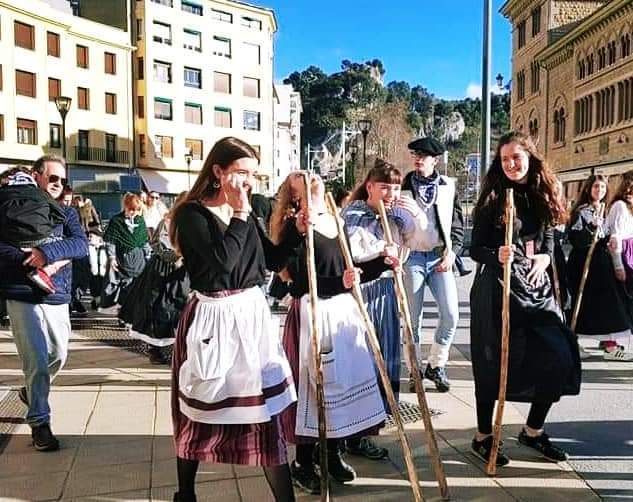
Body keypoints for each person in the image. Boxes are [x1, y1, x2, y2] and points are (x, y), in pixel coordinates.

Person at [169, 137, 303, 502]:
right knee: (201, 408)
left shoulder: (247, 210)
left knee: (264, 414)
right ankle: (185, 494)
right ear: (218, 171)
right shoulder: (192, 214)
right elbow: (222, 264)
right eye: (242, 172)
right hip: (213, 317)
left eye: (253, 175)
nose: (248, 182)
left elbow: (271, 261)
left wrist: (296, 231)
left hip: (250, 318)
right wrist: (240, 215)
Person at [272, 172, 398, 495]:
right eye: (300, 179)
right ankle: (303, 463)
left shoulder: (334, 219)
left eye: (311, 176)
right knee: (313, 389)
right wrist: (337, 281)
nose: (309, 177)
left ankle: (330, 452)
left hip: (342, 311)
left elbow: (351, 270)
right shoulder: (294, 227)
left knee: (341, 384)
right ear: (295, 195)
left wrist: (383, 263)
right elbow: (297, 280)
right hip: (312, 312)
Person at [469, 131, 581, 466]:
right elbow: (475, 248)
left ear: (530, 158)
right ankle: (483, 436)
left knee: (557, 355)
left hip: (535, 288)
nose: (511, 164)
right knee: (493, 364)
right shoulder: (492, 197)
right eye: (505, 159)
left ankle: (533, 430)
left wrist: (545, 257)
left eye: (516, 157)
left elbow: (548, 238)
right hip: (497, 290)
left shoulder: (542, 193)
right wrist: (496, 254)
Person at [0, 154, 88, 451]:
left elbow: (80, 244)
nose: (58, 184)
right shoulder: (8, 206)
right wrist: (29, 260)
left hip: (56, 292)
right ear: (35, 175)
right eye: (52, 178)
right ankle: (40, 423)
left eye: (63, 180)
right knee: (36, 360)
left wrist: (46, 255)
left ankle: (30, 391)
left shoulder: (66, 211)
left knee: (58, 355)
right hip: (21, 293)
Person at [341, 159, 416, 460]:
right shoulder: (354, 214)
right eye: (384, 187)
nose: (390, 194)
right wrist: (381, 252)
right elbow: (354, 252)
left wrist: (405, 219)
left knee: (386, 358)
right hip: (363, 294)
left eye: (395, 188)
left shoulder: (395, 215)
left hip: (386, 293)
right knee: (364, 361)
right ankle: (353, 432)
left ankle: (368, 430)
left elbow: (415, 240)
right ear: (370, 187)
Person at [400, 137, 464, 392]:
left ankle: (436, 365)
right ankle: (414, 370)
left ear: (435, 160)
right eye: (416, 154)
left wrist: (453, 252)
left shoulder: (448, 187)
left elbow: (457, 226)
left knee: (451, 314)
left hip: (439, 257)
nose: (418, 159)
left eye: (424, 156)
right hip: (413, 257)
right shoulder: (403, 186)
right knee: (412, 319)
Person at [119, 191, 191, 365]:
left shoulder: (193, 224)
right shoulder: (167, 222)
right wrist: (176, 256)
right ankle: (155, 350)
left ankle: (180, 348)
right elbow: (158, 245)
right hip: (162, 271)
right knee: (158, 308)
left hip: (183, 272)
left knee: (181, 309)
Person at [567, 175, 632, 360]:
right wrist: (591, 229)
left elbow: (607, 234)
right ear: (589, 189)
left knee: (607, 306)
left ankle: (609, 346)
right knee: (586, 305)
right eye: (596, 187)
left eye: (603, 187)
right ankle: (574, 343)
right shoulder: (581, 211)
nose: (600, 190)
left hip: (600, 263)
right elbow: (575, 238)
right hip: (584, 264)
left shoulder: (604, 209)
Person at [0, 166, 68, 294]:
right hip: (39, 236)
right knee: (64, 247)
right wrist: (46, 224)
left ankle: (37, 267)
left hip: (12, 239)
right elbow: (60, 216)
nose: (58, 184)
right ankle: (46, 269)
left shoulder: (4, 193)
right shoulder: (40, 193)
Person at [99, 193, 151, 313]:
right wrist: (112, 257)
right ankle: (116, 309)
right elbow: (111, 241)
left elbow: (144, 241)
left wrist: (148, 255)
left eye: (136, 210)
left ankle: (128, 312)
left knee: (134, 286)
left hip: (138, 260)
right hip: (121, 259)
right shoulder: (117, 221)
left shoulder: (140, 221)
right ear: (125, 206)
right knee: (116, 284)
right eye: (131, 209)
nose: (133, 212)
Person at [601, 173, 633, 359]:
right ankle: (611, 345)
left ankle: (612, 342)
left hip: (629, 253)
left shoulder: (627, 206)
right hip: (623, 254)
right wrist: (618, 265)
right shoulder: (620, 206)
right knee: (620, 301)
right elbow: (615, 236)